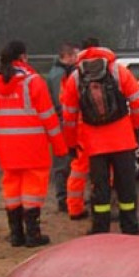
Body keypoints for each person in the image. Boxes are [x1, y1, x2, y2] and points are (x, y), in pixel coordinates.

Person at [0, 40, 67, 247]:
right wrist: (59, 146)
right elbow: (49, 117)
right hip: (32, 146)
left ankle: (16, 234)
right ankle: (33, 234)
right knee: (32, 189)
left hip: (5, 146)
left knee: (11, 186)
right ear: (23, 57)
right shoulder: (33, 82)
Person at [61, 38, 139, 234]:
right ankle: (130, 226)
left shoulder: (75, 77)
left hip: (94, 143)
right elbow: (137, 100)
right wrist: (132, 126)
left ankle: (100, 228)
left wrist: (72, 143)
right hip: (123, 139)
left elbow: (69, 116)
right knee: (126, 187)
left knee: (100, 189)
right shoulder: (118, 70)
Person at [46, 42, 78, 213]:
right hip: (62, 123)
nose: (76, 58)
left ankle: (67, 197)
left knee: (66, 162)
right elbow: (62, 101)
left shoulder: (57, 73)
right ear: (66, 56)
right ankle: (63, 198)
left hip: (61, 122)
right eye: (74, 55)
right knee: (64, 163)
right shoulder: (60, 75)